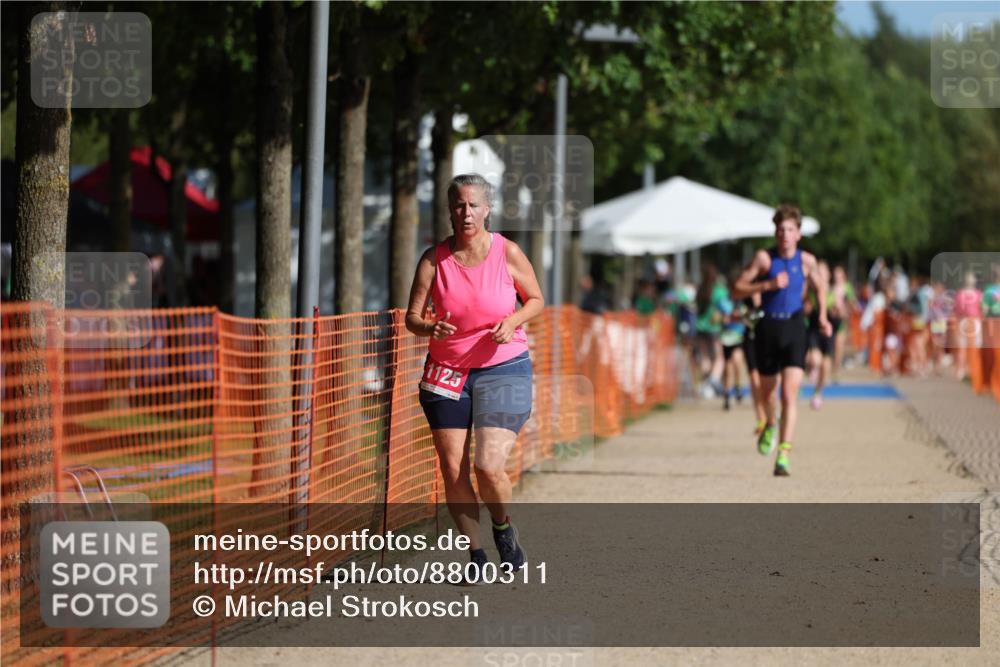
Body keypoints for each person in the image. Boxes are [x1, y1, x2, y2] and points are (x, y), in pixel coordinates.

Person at [405, 173, 544, 583]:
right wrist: (428, 328)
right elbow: (412, 316)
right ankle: (478, 556)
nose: (466, 213)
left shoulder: (508, 252)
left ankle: (502, 527)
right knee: (452, 469)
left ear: (487, 209)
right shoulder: (434, 260)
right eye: (459, 206)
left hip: (504, 366)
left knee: (487, 465)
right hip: (446, 373)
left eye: (473, 205)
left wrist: (513, 319)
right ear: (450, 211)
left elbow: (536, 299)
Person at [734, 204, 831, 477]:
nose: (784, 234)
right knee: (767, 394)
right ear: (775, 232)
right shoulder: (764, 260)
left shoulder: (806, 261)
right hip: (767, 327)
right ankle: (770, 425)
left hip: (794, 327)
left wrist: (822, 315)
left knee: (789, 393)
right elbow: (737, 289)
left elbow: (820, 286)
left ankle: (784, 453)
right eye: (780, 229)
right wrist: (767, 285)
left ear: (798, 234)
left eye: (790, 229)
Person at [805, 261, 834, 410]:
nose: (821, 276)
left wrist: (837, 306)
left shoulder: (834, 292)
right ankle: (811, 369)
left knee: (826, 365)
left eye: (824, 273)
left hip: (829, 332)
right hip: (815, 329)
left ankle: (818, 392)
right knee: (815, 359)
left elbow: (840, 313)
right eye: (819, 273)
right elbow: (806, 309)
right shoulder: (811, 291)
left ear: (829, 275)